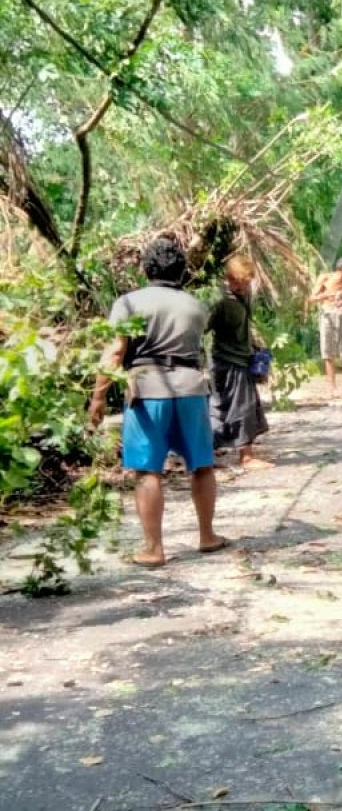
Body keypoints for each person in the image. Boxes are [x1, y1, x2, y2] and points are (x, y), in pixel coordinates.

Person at [88, 237, 229, 568]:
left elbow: (116, 351)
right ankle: (207, 536)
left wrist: (97, 397)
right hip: (192, 387)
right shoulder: (196, 306)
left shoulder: (129, 302)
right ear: (181, 270)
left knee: (148, 470)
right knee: (202, 465)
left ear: (145, 269)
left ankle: (154, 548)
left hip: (147, 389)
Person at [209, 256, 270, 470]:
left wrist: (254, 344)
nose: (242, 286)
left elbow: (245, 324)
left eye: (246, 282)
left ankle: (214, 454)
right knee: (235, 407)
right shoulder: (219, 300)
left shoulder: (242, 296)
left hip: (242, 357)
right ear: (229, 278)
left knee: (241, 405)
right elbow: (203, 327)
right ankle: (245, 457)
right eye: (238, 282)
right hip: (226, 360)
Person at [308, 256, 342, 397]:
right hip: (328, 315)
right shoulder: (325, 278)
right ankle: (331, 387)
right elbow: (312, 298)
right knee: (328, 352)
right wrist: (329, 294)